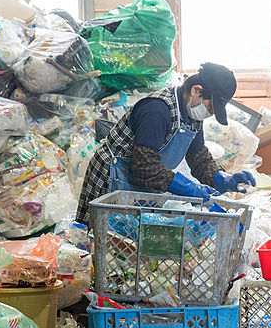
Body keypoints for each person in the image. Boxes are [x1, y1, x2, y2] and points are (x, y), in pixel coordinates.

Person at [75, 62, 256, 225]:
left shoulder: (192, 116)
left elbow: (199, 159)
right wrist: (187, 187)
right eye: (210, 107)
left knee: (128, 247)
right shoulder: (158, 109)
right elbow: (144, 167)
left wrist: (223, 180)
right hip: (112, 178)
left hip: (140, 185)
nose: (209, 114)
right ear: (196, 91)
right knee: (95, 241)